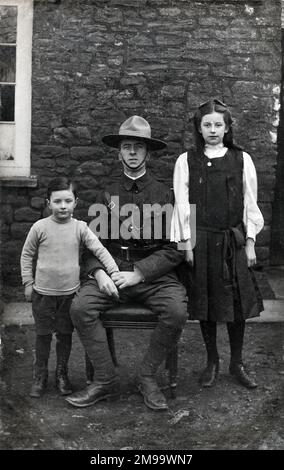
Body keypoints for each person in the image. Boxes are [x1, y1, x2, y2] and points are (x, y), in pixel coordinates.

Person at [65, 115, 188, 411]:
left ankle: (147, 376)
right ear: (119, 152)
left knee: (176, 311)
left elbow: (175, 249)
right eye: (127, 146)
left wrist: (139, 273)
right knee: (80, 308)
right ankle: (105, 380)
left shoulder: (165, 194)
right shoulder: (105, 194)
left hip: (153, 275)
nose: (132, 152)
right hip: (112, 269)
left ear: (148, 152)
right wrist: (98, 272)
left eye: (139, 147)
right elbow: (90, 244)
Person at [171, 99, 264, 389]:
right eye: (207, 124)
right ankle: (212, 360)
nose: (213, 129)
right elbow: (182, 205)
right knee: (206, 303)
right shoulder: (187, 160)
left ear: (227, 128)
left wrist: (249, 243)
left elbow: (250, 203)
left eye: (218, 124)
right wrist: (186, 244)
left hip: (232, 241)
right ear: (199, 129)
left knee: (236, 305)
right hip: (202, 241)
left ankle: (237, 362)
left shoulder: (241, 159)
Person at [20, 177, 119, 398]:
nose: (62, 206)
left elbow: (100, 250)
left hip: (69, 295)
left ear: (76, 202)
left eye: (67, 201)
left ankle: (62, 375)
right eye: (57, 201)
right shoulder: (40, 227)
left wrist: (114, 273)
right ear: (48, 203)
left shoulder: (80, 228)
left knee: (65, 336)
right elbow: (27, 255)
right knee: (43, 336)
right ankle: (40, 375)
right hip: (43, 295)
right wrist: (28, 283)